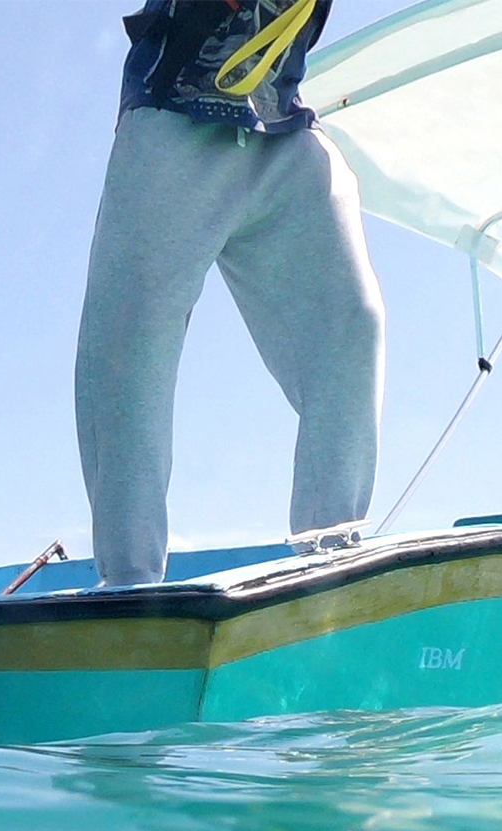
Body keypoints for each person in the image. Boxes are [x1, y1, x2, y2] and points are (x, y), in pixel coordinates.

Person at [76, 0, 386, 586]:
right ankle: (129, 584)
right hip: (171, 113)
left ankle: (331, 568)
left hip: (284, 126)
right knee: (130, 350)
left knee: (354, 323)